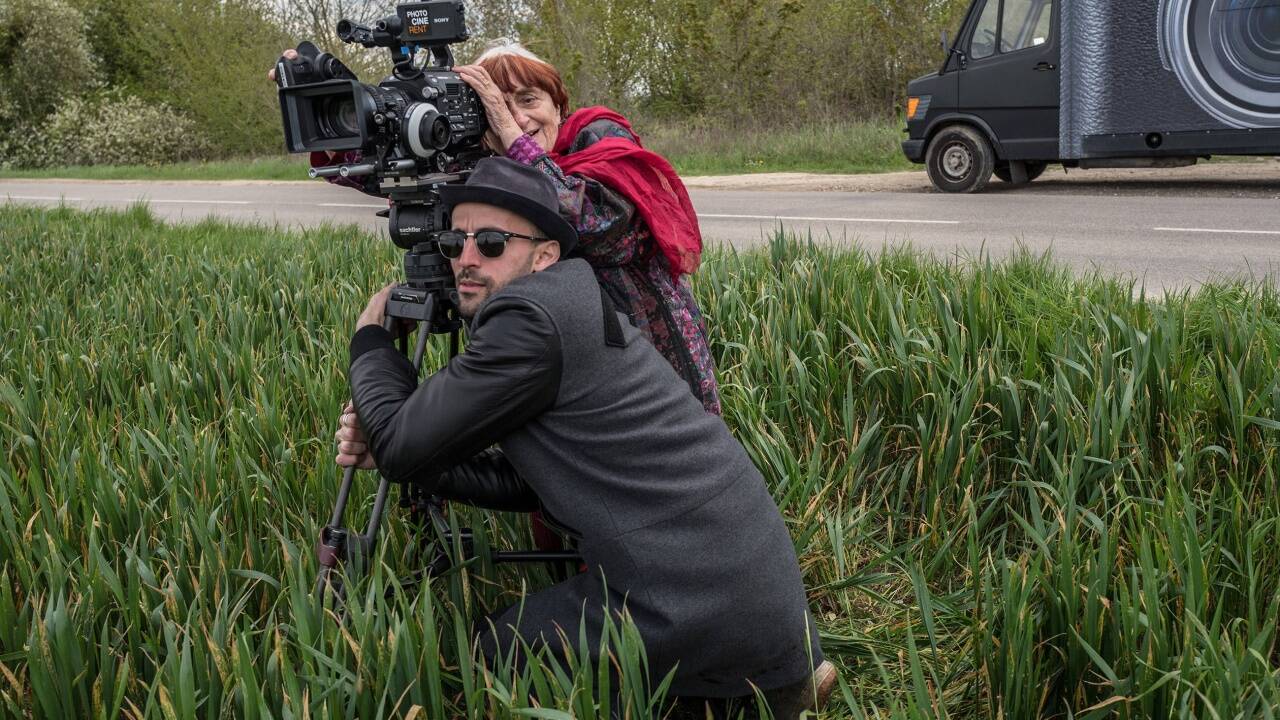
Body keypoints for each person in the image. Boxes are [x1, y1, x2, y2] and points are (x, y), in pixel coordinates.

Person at [341, 156, 833, 718]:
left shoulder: (529, 320)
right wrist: (398, 450)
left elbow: (403, 444)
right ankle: (777, 677)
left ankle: (743, 691)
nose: (467, 260)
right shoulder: (567, 299)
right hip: (738, 584)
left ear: (545, 254)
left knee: (493, 651)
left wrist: (372, 342)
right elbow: (528, 482)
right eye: (457, 241)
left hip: (690, 597)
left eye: (494, 242)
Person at [272, 40, 720, 415]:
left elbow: (594, 220)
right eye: (497, 108)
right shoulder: (487, 167)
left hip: (642, 357)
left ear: (559, 105)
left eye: (529, 100)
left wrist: (509, 134)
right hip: (546, 358)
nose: (519, 119)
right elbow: (389, 174)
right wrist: (340, 106)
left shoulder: (597, 137)